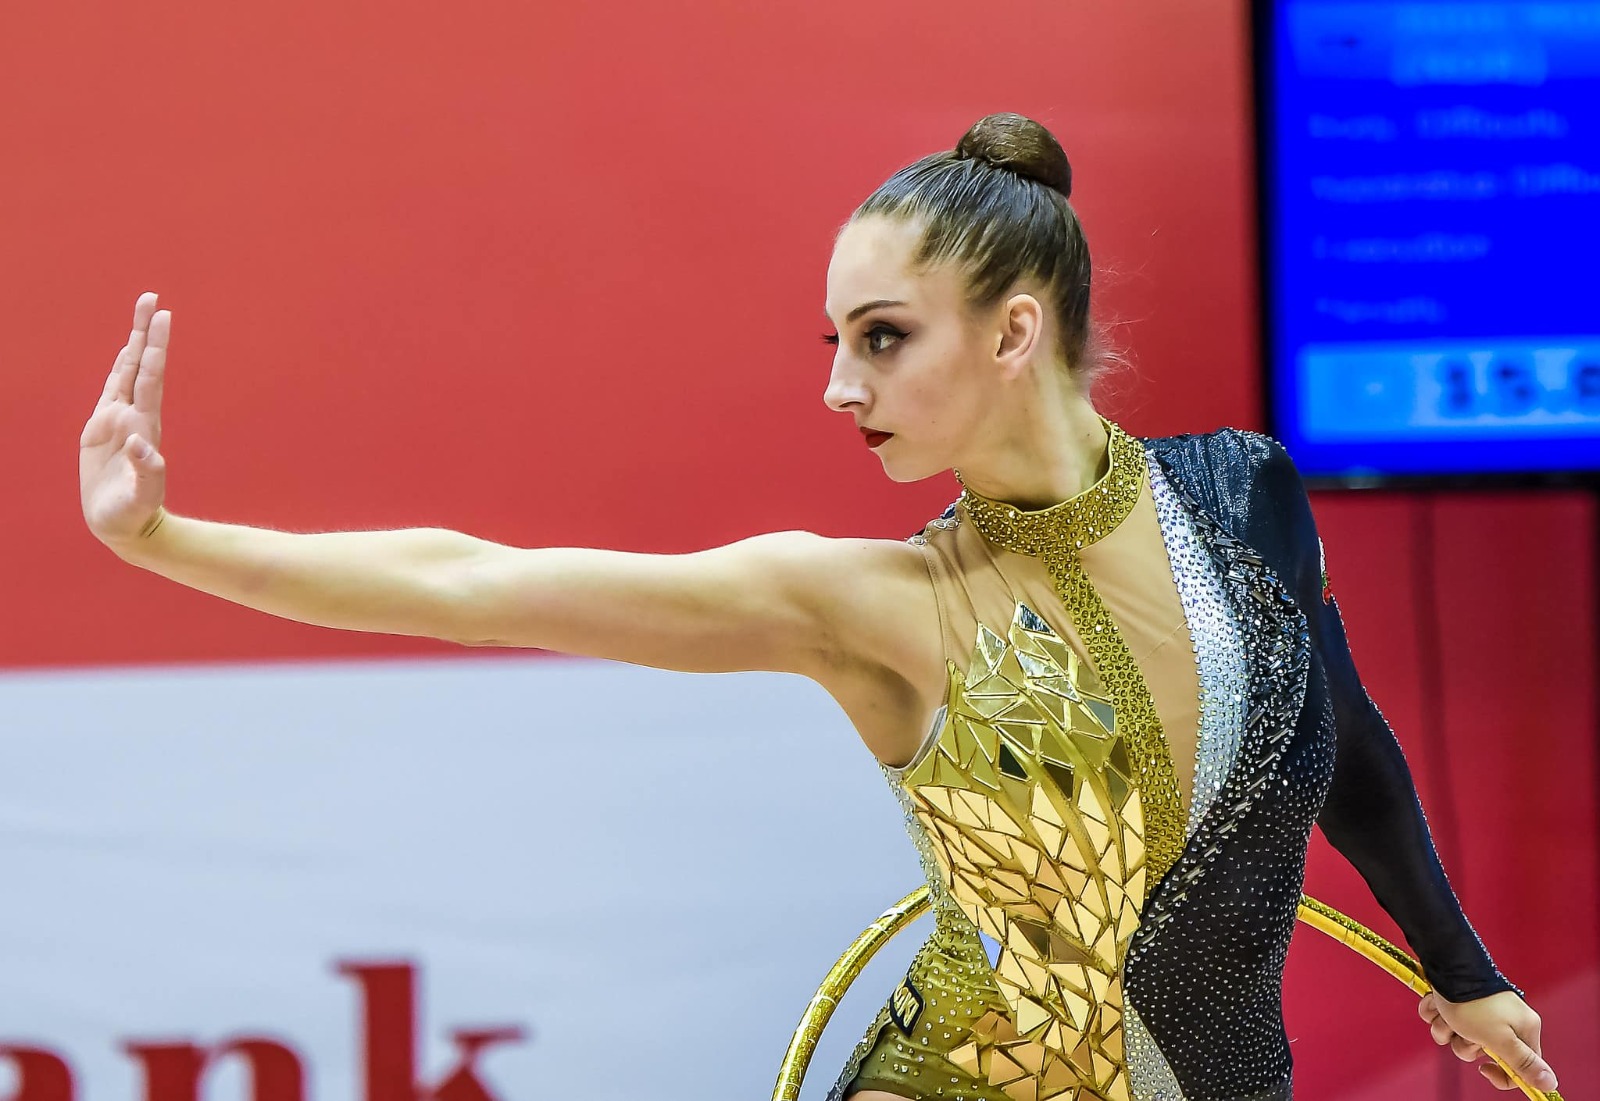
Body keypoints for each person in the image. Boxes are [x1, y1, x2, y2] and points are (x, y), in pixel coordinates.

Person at [80, 113, 1555, 1100]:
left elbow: (1345, 740)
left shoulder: (1245, 495)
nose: (839, 386)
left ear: (1012, 331)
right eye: (834, 338)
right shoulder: (878, 606)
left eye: (881, 337)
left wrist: (1466, 966)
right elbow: (481, 583)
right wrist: (166, 538)